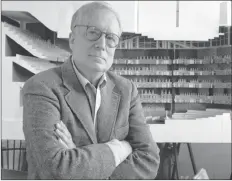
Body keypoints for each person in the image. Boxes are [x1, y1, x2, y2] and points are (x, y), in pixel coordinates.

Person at [22, 1, 160, 179]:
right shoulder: (42, 88)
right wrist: (118, 149)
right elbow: (55, 169)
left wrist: (79, 158)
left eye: (111, 38)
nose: (102, 44)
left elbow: (149, 161)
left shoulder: (127, 90)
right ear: (72, 39)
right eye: (93, 32)